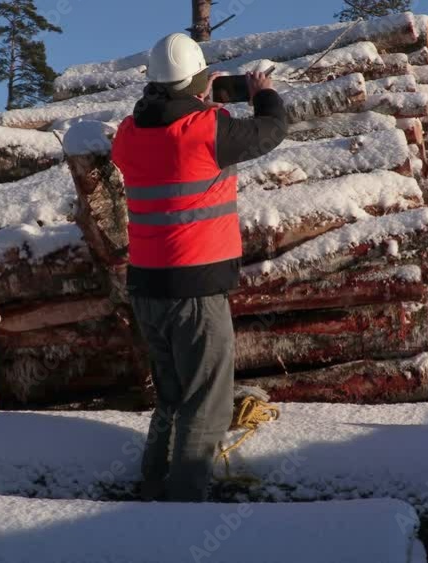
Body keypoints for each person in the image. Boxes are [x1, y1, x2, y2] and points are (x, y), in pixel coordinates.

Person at [110, 32, 287, 502]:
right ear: (198, 85)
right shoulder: (207, 130)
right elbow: (271, 130)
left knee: (171, 397)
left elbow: (164, 114)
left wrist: (200, 97)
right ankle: (183, 508)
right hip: (195, 291)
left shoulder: (128, 135)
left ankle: (152, 489)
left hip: (147, 287)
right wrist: (262, 92)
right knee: (207, 403)